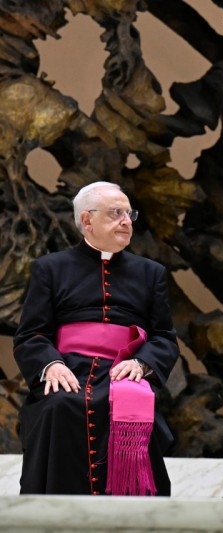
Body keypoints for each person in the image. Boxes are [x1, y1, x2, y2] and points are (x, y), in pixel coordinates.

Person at [14, 181, 179, 496]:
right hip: (69, 368)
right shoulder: (50, 269)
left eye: (129, 213)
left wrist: (142, 363)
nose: (127, 221)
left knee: (129, 403)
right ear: (87, 221)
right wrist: (50, 365)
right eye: (116, 213)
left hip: (123, 369)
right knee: (60, 405)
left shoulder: (151, 272)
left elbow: (164, 337)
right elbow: (31, 333)